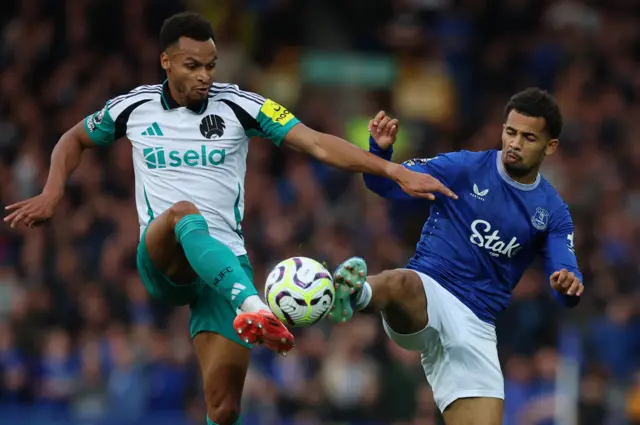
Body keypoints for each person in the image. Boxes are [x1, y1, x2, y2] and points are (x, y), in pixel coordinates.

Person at [3, 11, 457, 425]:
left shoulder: (241, 105)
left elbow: (316, 142)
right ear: (165, 61)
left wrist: (392, 169)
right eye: (192, 65)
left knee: (224, 409)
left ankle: (246, 305)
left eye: (211, 66)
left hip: (224, 266)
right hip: (164, 255)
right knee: (184, 213)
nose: (204, 76)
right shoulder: (134, 107)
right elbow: (72, 138)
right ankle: (256, 307)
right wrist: (52, 190)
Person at [328, 88, 585, 425]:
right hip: (429, 291)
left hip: (476, 327)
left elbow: (564, 277)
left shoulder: (553, 212)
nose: (515, 143)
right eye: (510, 132)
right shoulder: (464, 167)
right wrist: (381, 151)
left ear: (550, 146)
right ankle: (354, 292)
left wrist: (567, 285)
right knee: (401, 280)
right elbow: (386, 187)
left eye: (528, 137)